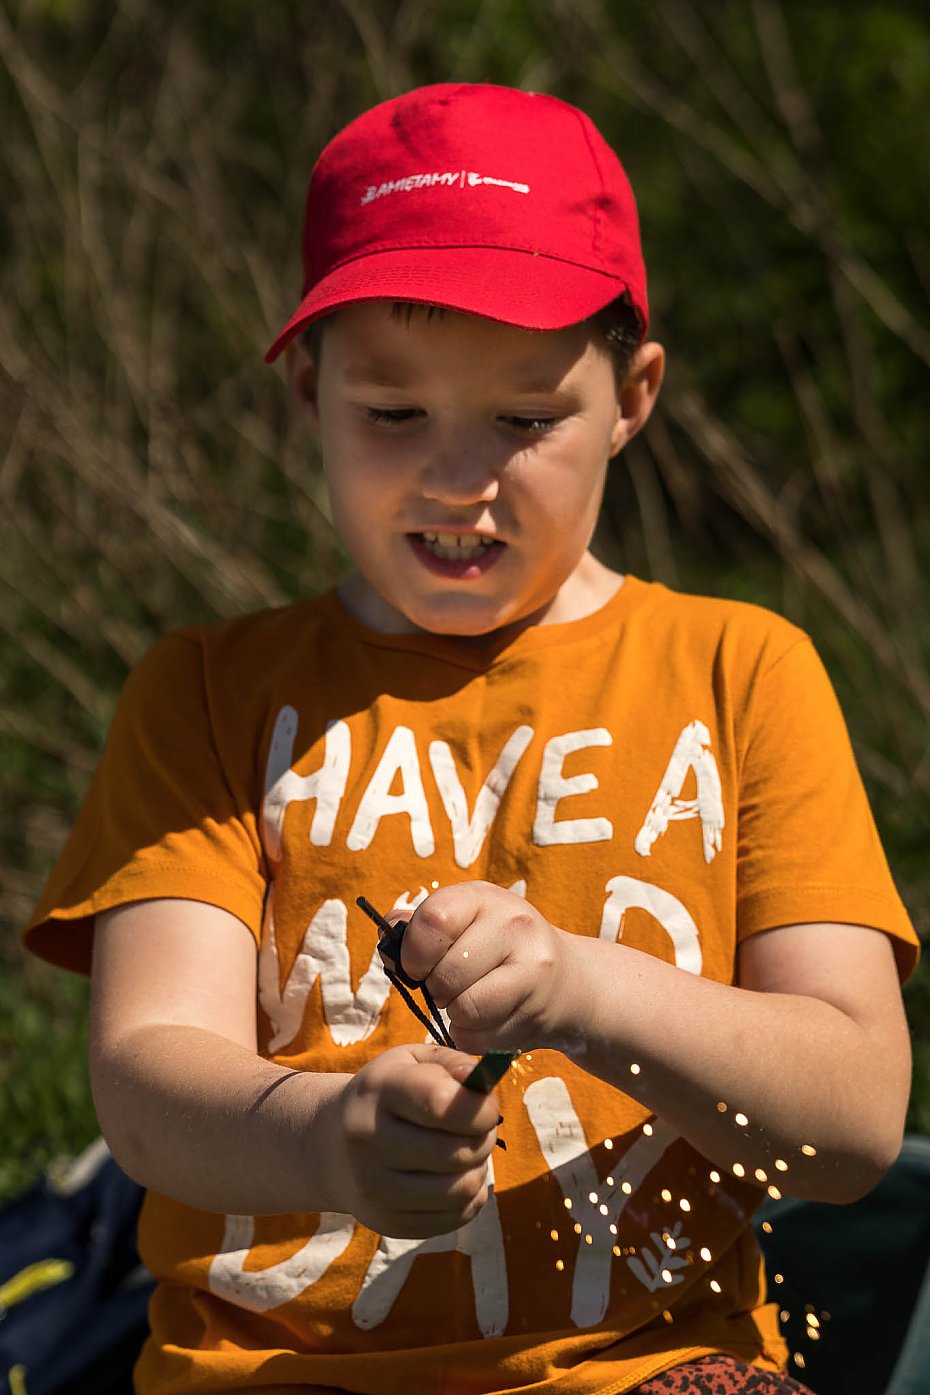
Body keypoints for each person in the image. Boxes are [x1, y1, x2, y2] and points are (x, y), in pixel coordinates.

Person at [23, 82, 917, 1395]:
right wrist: (327, 1134)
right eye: (392, 414)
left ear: (633, 395)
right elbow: (149, 1089)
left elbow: (846, 1128)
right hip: (272, 1375)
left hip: (649, 1371)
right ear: (305, 394)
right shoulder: (207, 693)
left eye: (523, 418)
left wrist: (585, 992)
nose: (456, 476)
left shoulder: (742, 674)